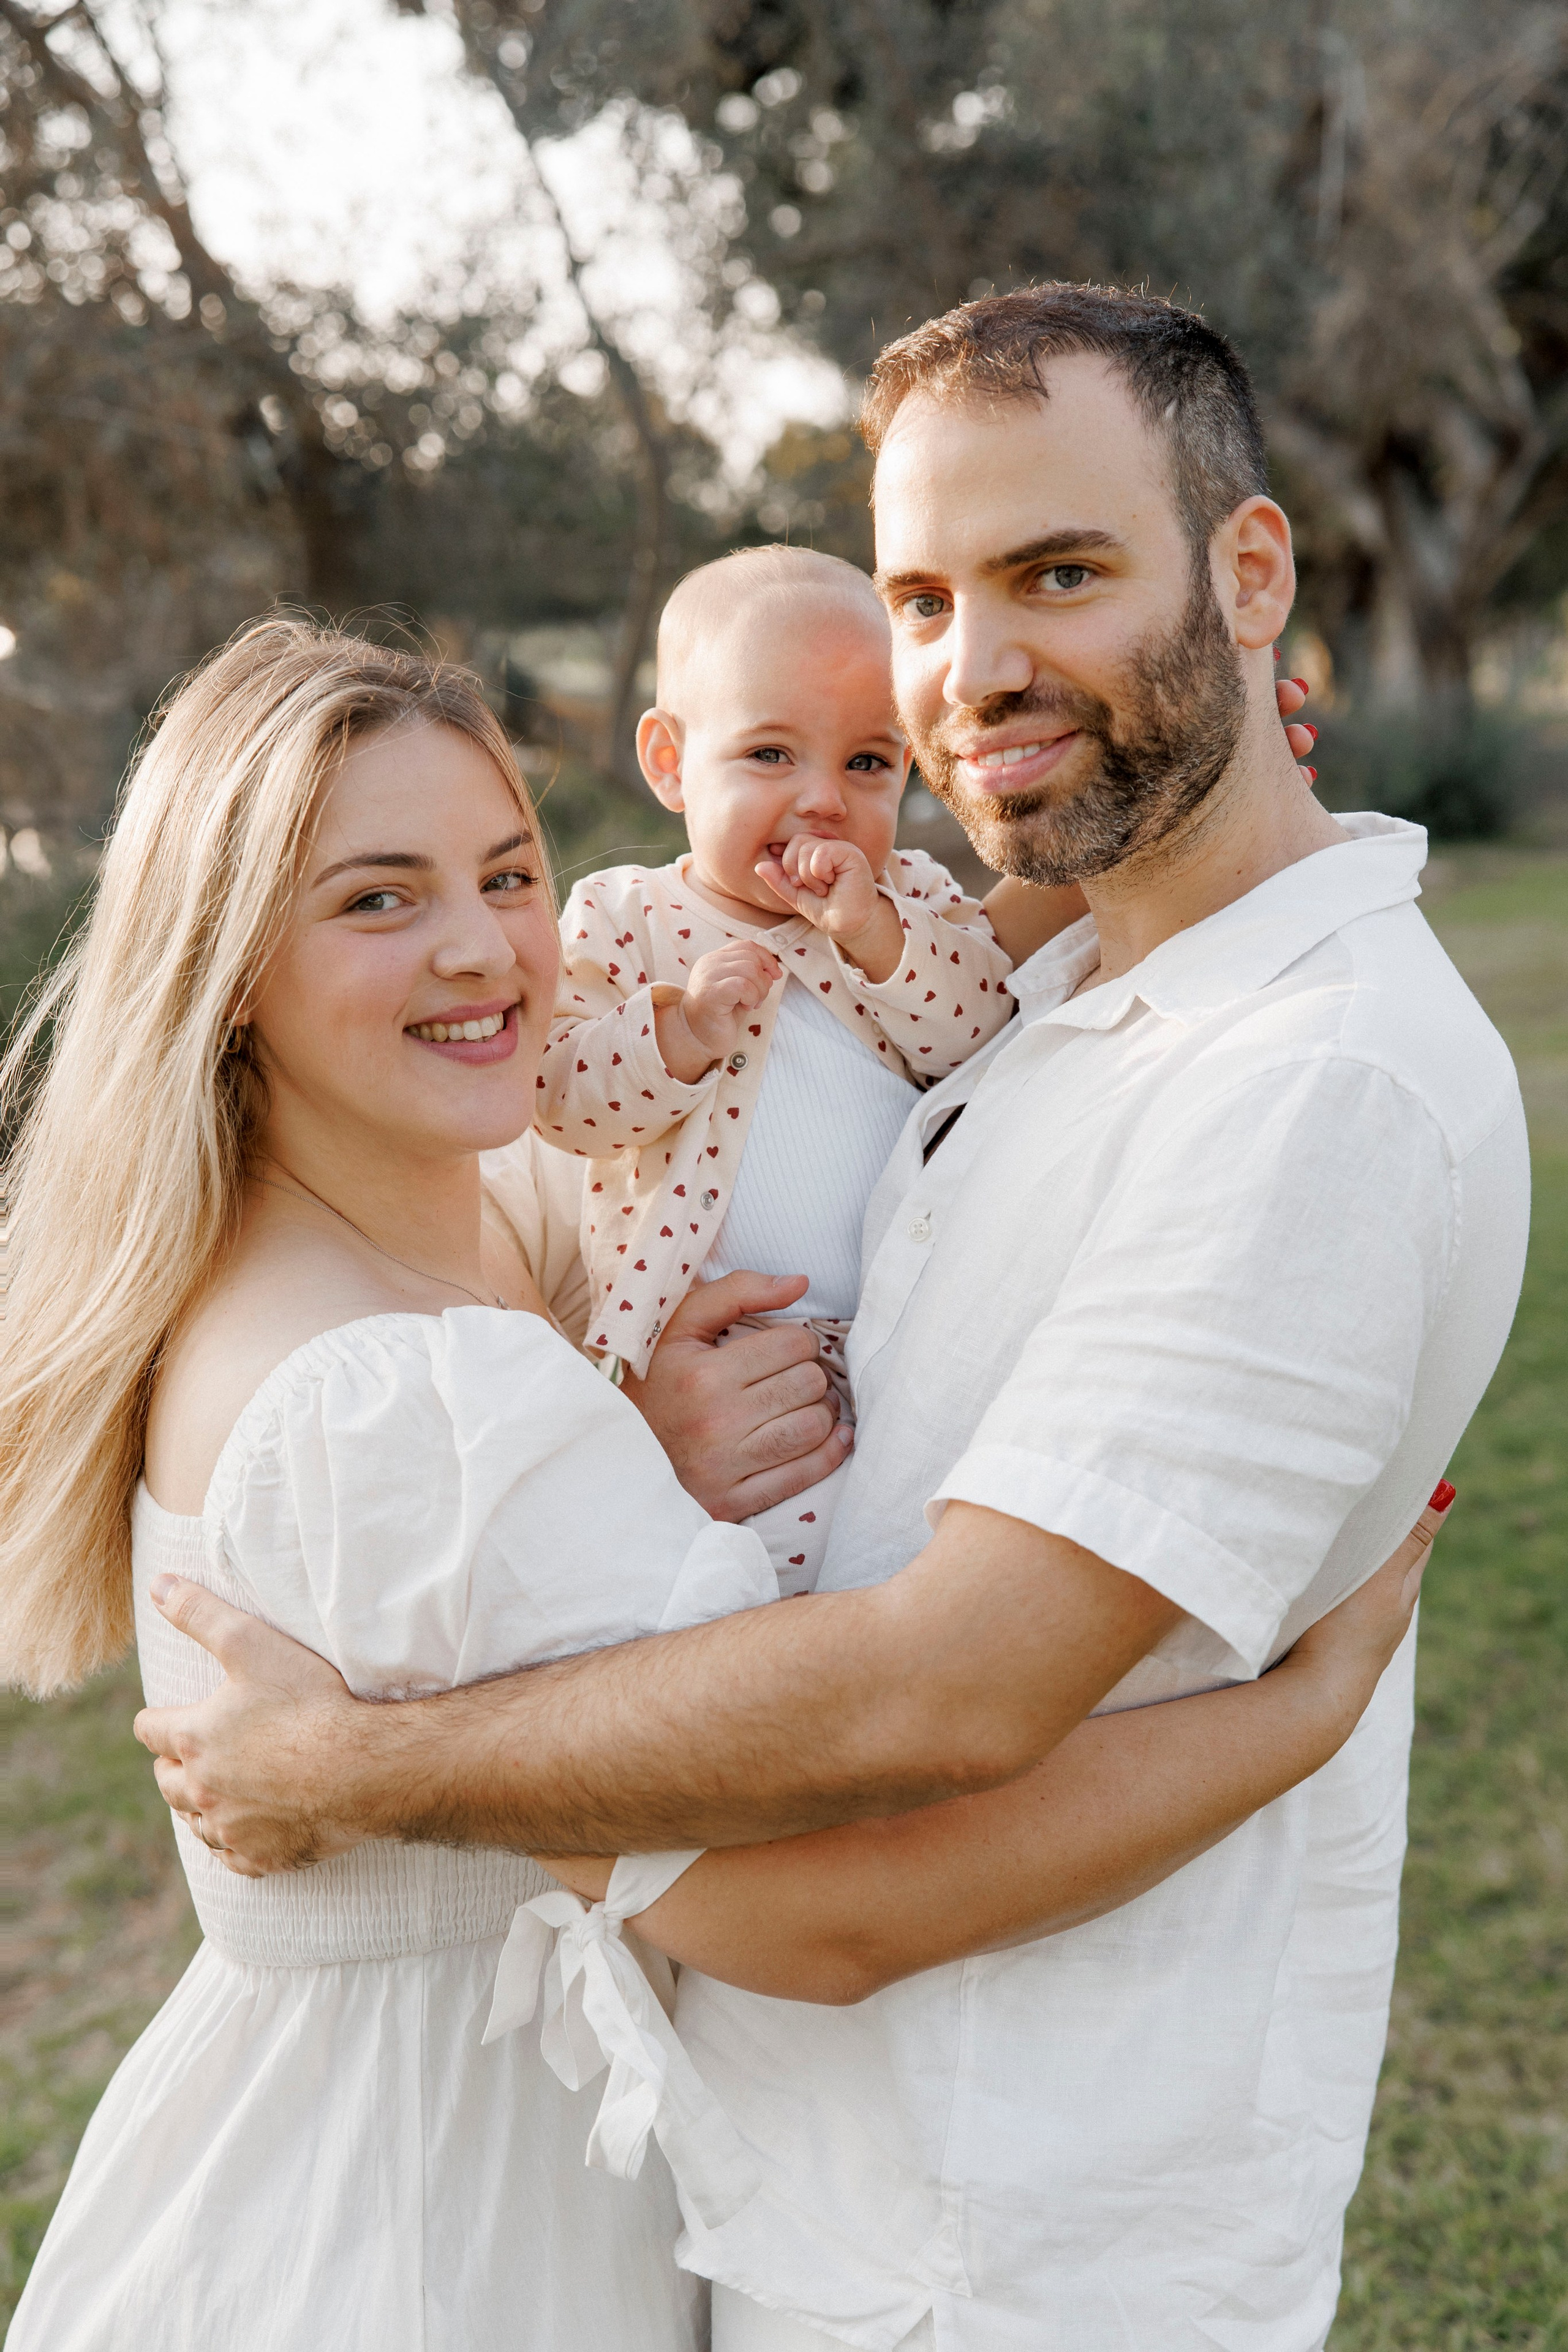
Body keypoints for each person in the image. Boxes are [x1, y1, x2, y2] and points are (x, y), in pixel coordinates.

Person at [134, 285, 1529, 2351]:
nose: (973, 669)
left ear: (1253, 575)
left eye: (1060, 573)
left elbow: (930, 1720)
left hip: (1016, 2254)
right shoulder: (1076, 990)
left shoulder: (1309, 1091)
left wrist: (352, 1764)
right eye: (925, 601)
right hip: (810, 2214)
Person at [538, 543, 1040, 1586]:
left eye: (868, 764)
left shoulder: (909, 899)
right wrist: (681, 1033)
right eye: (772, 755)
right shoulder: (625, 916)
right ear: (670, 762)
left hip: (907, 1333)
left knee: (920, 1561)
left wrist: (876, 937)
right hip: (728, 1346)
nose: (824, 800)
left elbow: (983, 1030)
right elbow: (562, 1096)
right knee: (751, 1577)